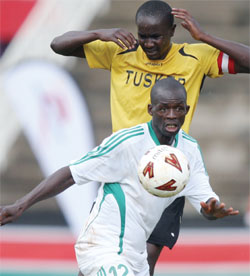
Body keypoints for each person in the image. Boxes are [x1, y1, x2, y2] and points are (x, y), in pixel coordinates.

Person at [50, 1, 250, 274]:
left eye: (156, 35)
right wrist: (99, 33)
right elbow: (58, 44)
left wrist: (205, 37)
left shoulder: (195, 57)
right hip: (123, 167)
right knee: (104, 252)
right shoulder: (120, 51)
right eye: (143, 35)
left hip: (168, 168)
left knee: (144, 261)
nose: (148, 42)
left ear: (172, 31)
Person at [0, 77, 239, 276]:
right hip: (102, 246)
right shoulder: (126, 143)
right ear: (150, 109)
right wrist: (20, 206)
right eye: (163, 108)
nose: (171, 115)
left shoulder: (189, 150)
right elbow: (71, 174)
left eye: (178, 108)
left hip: (136, 257)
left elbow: (204, 197)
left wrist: (210, 210)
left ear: (186, 110)